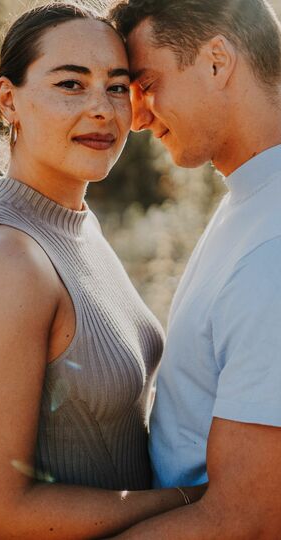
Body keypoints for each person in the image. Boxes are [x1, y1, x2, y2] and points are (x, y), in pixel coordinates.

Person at [0, 3, 206, 539]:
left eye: (118, 86)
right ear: (8, 100)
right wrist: (195, 500)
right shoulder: (0, 259)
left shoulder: (76, 223)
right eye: (71, 85)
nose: (103, 109)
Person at [109, 0, 281, 537]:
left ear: (216, 61)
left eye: (147, 82)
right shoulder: (250, 199)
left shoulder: (272, 250)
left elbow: (244, 522)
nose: (134, 118)